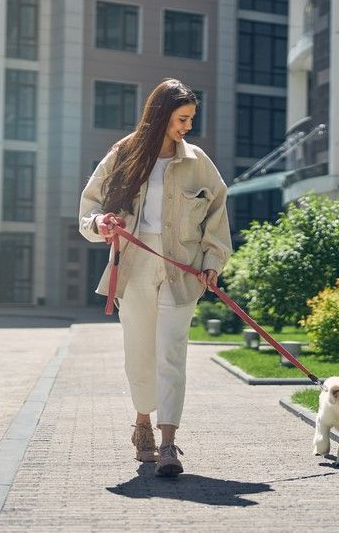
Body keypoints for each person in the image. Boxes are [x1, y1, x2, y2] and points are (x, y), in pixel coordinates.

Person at [78, 78, 232, 476]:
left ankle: (167, 444)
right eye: (182, 119)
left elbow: (217, 216)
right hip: (133, 265)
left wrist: (213, 261)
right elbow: (88, 208)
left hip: (183, 271)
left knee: (172, 353)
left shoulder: (198, 161)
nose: (187, 127)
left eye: (191, 120)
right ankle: (142, 425)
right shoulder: (124, 154)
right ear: (162, 115)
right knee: (140, 351)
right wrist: (102, 223)